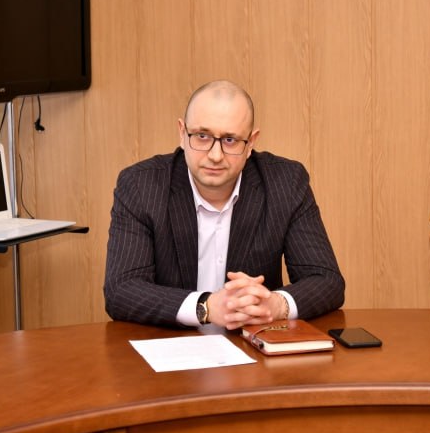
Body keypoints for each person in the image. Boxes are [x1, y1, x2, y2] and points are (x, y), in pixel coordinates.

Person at [104, 80, 344, 329]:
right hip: (169, 345)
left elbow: (327, 280)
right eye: (202, 136)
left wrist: (276, 305)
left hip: (251, 346)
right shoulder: (141, 186)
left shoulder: (286, 183)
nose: (215, 155)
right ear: (182, 133)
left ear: (251, 143)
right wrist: (206, 306)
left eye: (230, 140)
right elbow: (121, 290)